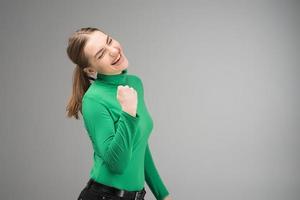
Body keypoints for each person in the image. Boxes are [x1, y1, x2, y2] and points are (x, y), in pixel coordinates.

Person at [65, 27, 172, 200]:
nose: (114, 51)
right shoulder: (93, 100)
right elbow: (117, 164)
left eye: (109, 41)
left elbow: (139, 147)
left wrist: (163, 195)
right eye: (101, 54)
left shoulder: (135, 84)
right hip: (104, 196)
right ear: (91, 70)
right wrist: (128, 113)